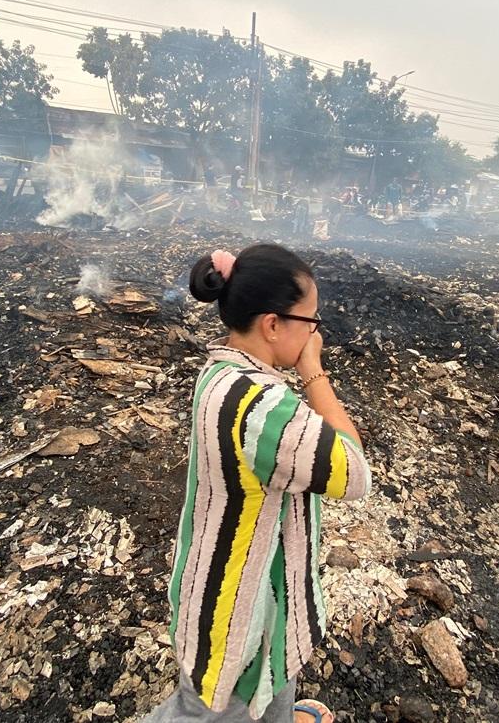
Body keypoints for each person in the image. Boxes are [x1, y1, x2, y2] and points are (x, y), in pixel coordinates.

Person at [142, 244, 371, 723]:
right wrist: (314, 373)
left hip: (242, 582)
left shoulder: (221, 371)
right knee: (205, 710)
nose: (315, 335)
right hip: (235, 609)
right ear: (272, 324)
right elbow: (353, 472)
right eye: (311, 323)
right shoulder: (260, 406)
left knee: (268, 682)